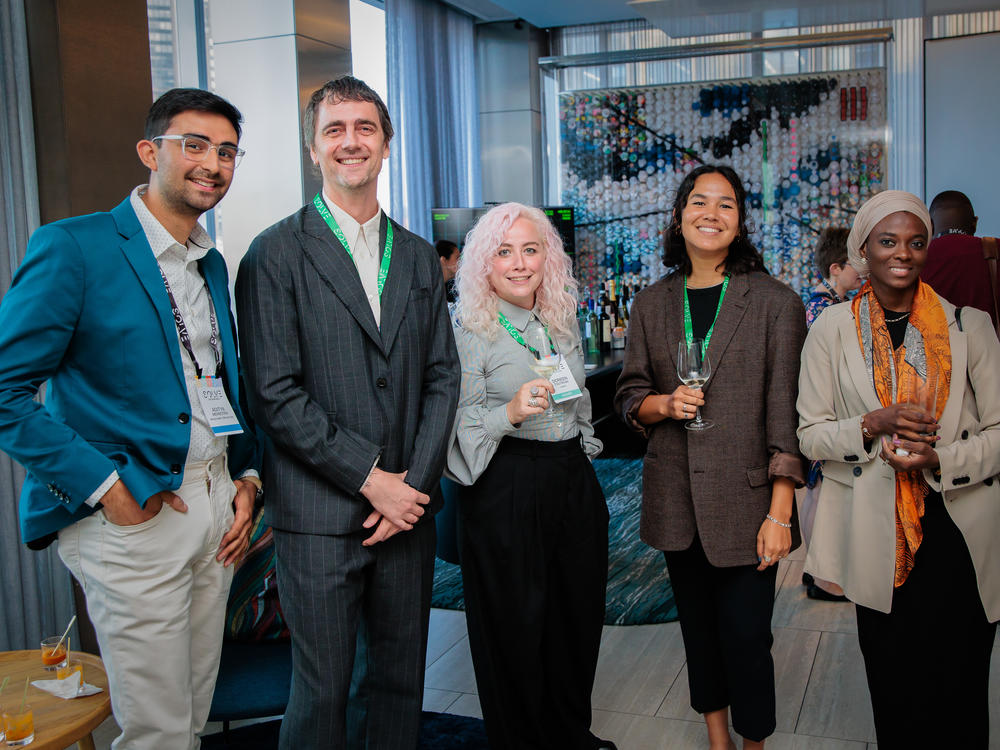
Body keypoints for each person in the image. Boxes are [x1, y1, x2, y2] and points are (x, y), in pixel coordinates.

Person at [0, 88, 260, 749]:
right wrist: (104, 488)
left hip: (215, 508)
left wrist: (247, 482)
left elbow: (218, 385)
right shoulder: (75, 247)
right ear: (150, 151)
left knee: (192, 716)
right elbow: (6, 390)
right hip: (135, 516)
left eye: (226, 151)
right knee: (157, 731)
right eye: (194, 145)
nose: (213, 163)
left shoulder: (211, 259)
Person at [235, 75, 460, 750]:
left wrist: (412, 489)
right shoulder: (273, 254)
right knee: (323, 691)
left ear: (386, 144)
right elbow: (274, 395)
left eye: (364, 127)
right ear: (313, 150)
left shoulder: (418, 255)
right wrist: (375, 482)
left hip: (407, 518)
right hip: (319, 519)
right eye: (334, 129)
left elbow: (442, 378)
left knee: (397, 685)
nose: (350, 141)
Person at [798, 190, 1000, 747]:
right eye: (887, 241)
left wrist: (944, 458)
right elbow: (810, 434)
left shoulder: (969, 326)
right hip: (876, 535)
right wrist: (871, 422)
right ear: (863, 249)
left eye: (915, 242)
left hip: (959, 532)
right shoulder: (832, 330)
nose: (902, 253)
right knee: (896, 693)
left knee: (961, 695)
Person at [614, 164, 806, 750]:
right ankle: (717, 739)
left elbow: (787, 417)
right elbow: (627, 396)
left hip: (748, 503)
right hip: (676, 496)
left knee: (749, 637)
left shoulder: (775, 302)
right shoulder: (652, 303)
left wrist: (780, 513)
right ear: (679, 215)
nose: (711, 213)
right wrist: (662, 405)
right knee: (699, 633)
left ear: (740, 221)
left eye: (726, 204)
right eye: (700, 201)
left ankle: (754, 743)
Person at [447, 203, 615, 750]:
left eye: (530, 249)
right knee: (513, 629)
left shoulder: (557, 319)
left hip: (570, 478)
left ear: (548, 256)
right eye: (504, 251)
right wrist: (511, 413)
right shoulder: (470, 330)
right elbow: (460, 433)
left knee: (576, 618)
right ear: (483, 265)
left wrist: (584, 449)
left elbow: (579, 397)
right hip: (506, 483)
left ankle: (568, 733)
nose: (519, 264)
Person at [799, 226, 861, 601]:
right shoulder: (821, 306)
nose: (860, 271)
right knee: (819, 491)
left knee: (818, 489)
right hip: (825, 406)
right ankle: (820, 575)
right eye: (854, 265)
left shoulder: (834, 302)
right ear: (835, 268)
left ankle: (817, 572)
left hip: (832, 406)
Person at [921, 190, 999, 330]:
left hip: (933, 349)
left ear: (930, 225)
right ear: (974, 223)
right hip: (990, 348)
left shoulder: (915, 258)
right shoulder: (995, 250)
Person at [804, 226, 861, 326]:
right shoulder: (821, 308)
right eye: (855, 263)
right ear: (835, 269)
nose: (861, 268)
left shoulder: (836, 301)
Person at [436, 238, 460, 302]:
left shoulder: (449, 288)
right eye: (457, 258)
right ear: (443, 260)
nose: (460, 262)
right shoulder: (434, 292)